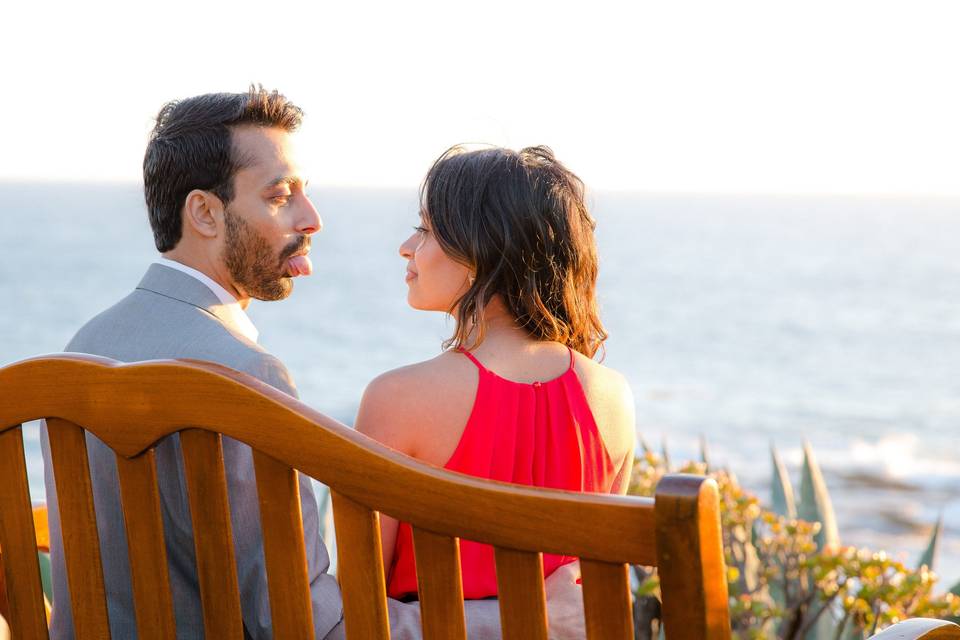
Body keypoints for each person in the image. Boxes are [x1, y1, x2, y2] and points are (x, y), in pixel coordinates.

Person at [39, 88, 582, 639]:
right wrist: (525, 616)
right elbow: (310, 627)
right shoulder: (241, 376)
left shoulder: (82, 349)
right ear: (204, 212)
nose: (313, 218)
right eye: (281, 196)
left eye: (306, 193)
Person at [355, 145, 637, 600]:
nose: (406, 247)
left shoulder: (397, 398)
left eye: (426, 230)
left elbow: (360, 599)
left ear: (482, 252)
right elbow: (592, 588)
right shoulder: (613, 397)